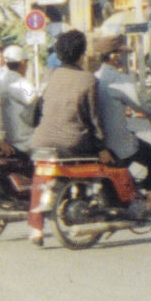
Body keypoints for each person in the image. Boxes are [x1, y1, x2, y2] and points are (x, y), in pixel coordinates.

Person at [25, 29, 102, 247]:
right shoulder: (88, 79)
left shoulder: (50, 76)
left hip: (40, 140)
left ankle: (35, 229)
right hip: (72, 141)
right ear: (82, 54)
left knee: (39, 178)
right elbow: (93, 119)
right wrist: (102, 145)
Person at [92, 34, 151, 206]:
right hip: (117, 141)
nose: (124, 58)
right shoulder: (119, 79)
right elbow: (141, 106)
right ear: (114, 56)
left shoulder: (95, 77)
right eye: (122, 54)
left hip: (100, 141)